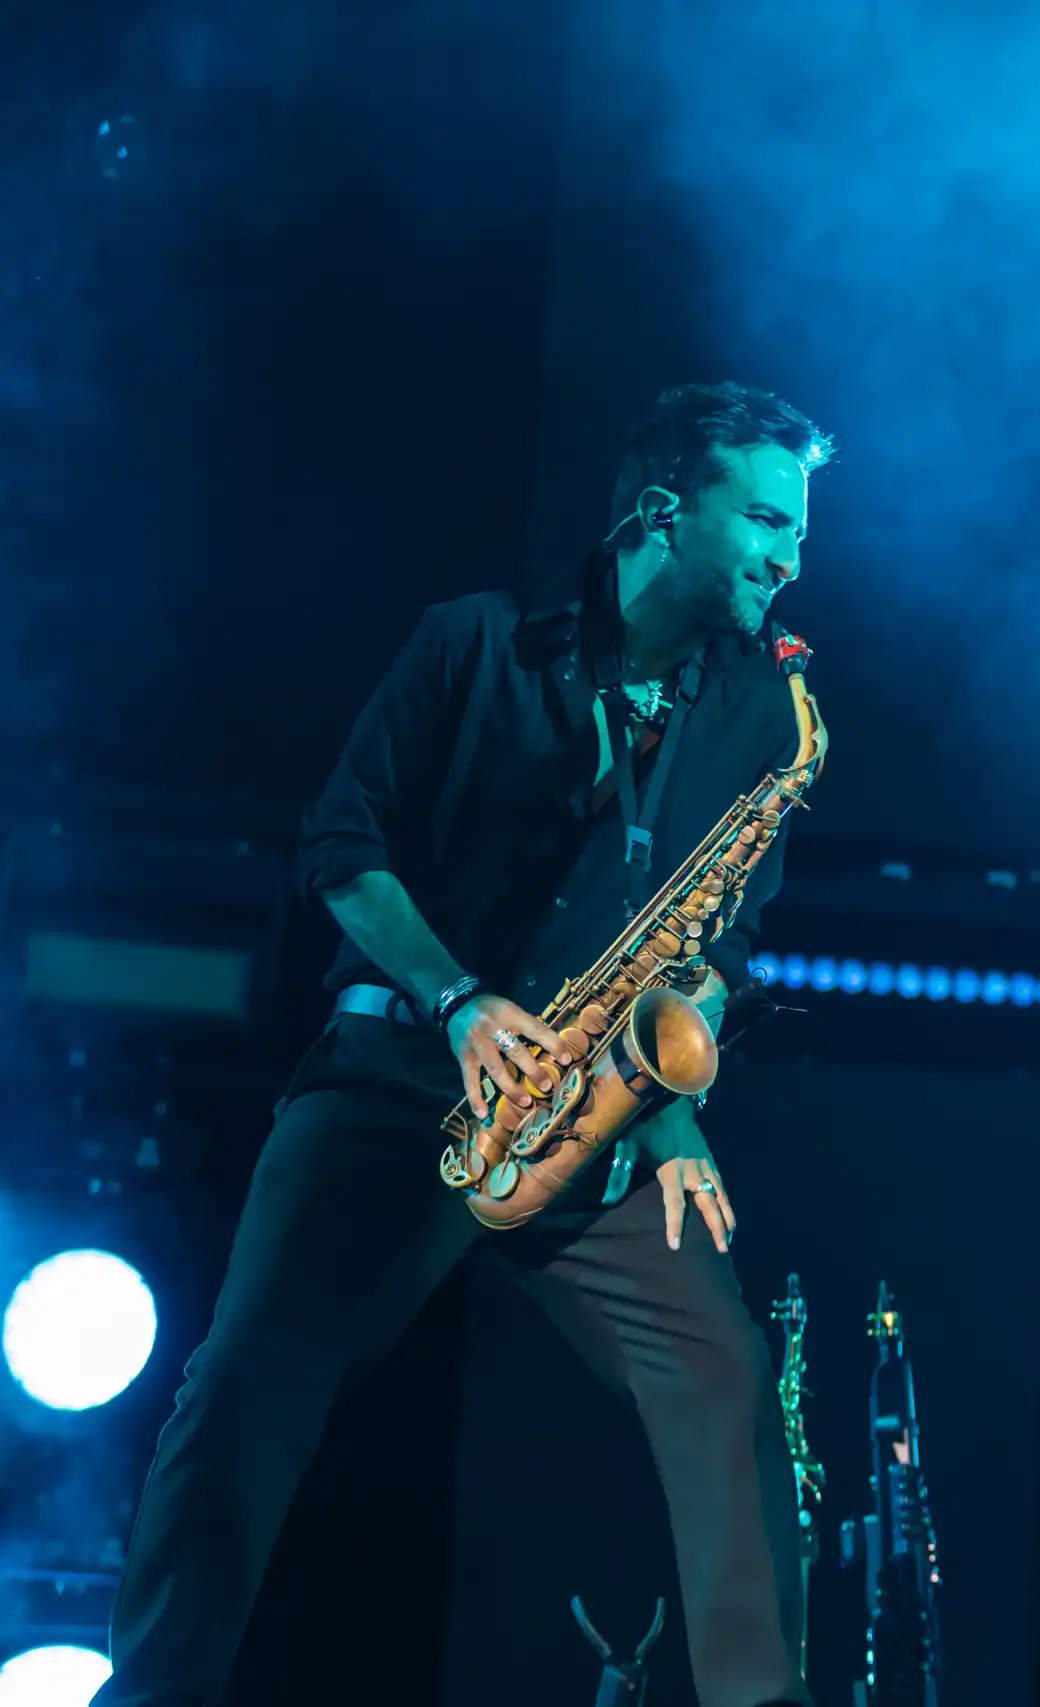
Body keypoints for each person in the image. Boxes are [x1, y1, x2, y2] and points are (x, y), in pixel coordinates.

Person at [97, 382, 834, 1707]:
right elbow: (341, 848)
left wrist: (664, 1100)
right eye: (768, 516)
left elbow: (711, 949)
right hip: (396, 1083)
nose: (794, 552)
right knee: (248, 1393)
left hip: (590, 1115)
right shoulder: (475, 645)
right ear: (665, 507)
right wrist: (458, 997)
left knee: (725, 1382)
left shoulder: (758, 716)